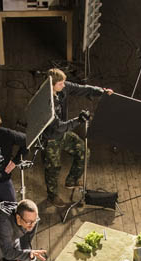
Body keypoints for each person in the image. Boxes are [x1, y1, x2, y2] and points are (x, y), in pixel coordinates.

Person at [41, 68, 113, 206]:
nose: (64, 85)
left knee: (83, 151)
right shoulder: (46, 101)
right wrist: (78, 120)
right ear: (51, 85)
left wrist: (101, 92)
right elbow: (58, 126)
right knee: (53, 169)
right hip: (50, 139)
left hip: (63, 134)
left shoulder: (63, 87)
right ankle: (52, 196)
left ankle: (72, 180)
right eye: (60, 83)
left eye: (64, 82)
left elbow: (82, 89)